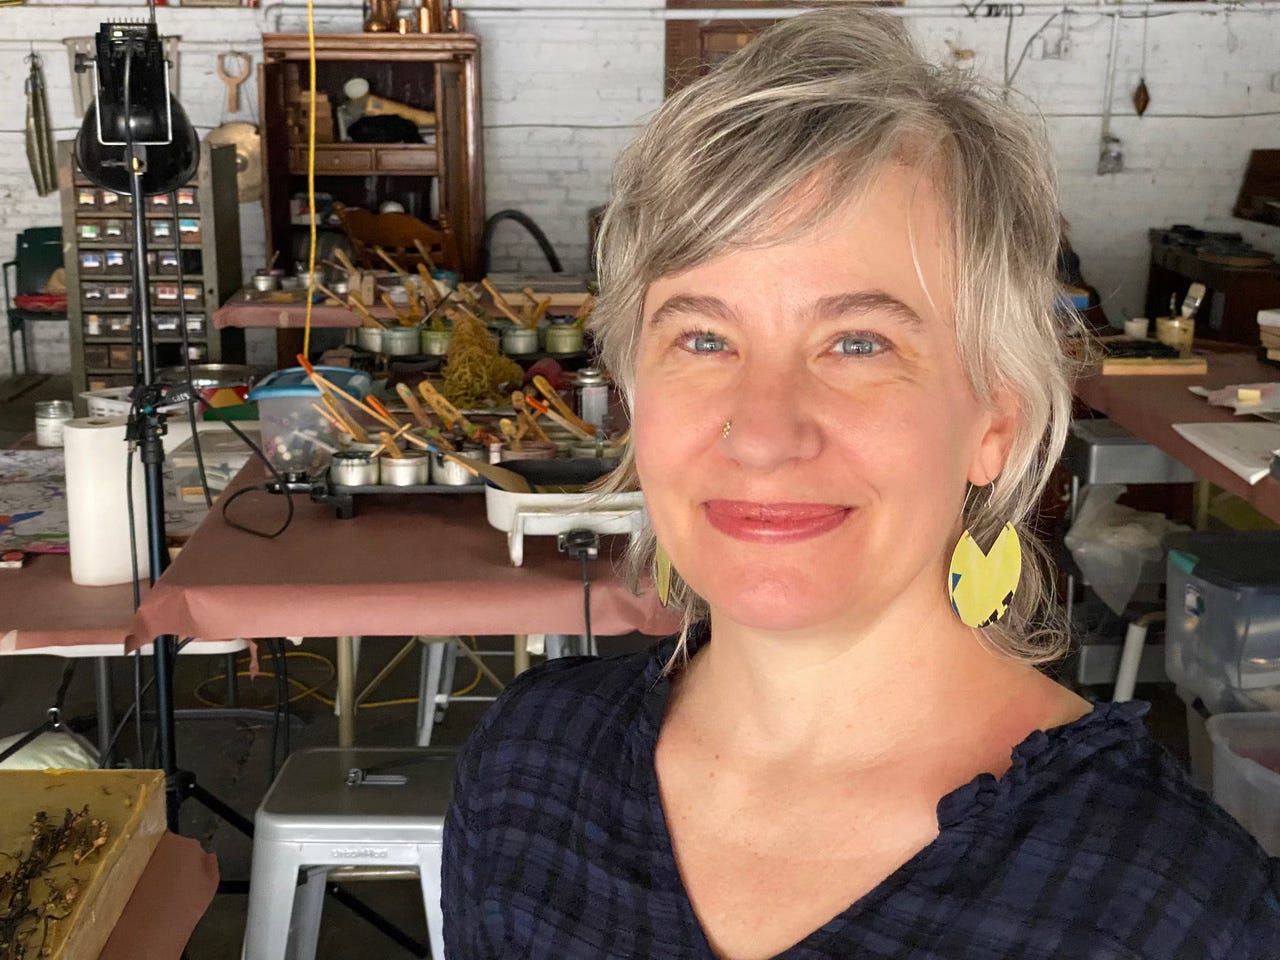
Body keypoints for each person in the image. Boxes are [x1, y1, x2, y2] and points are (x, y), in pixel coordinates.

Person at [443, 9, 1280, 958]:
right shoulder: (525, 775)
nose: (762, 433)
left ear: (995, 421)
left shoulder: (1167, 908)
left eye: (858, 342)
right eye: (703, 337)